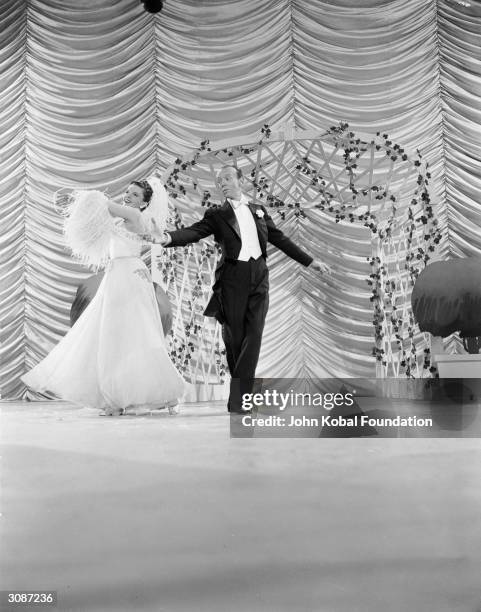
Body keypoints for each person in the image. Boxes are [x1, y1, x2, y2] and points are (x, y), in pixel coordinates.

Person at [159, 165, 330, 413]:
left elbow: (280, 239)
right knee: (235, 340)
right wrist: (167, 238)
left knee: (255, 334)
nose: (223, 183)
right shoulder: (217, 214)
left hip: (259, 275)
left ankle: (241, 399)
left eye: (228, 178)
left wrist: (311, 262)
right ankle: (240, 399)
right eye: (220, 181)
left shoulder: (259, 210)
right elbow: (195, 232)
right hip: (232, 279)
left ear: (241, 180)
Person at [22, 178, 185, 416]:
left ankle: (137, 396)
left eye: (136, 195)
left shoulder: (133, 215)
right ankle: (121, 397)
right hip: (118, 274)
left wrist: (76, 198)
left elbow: (102, 203)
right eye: (128, 192)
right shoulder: (129, 217)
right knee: (119, 335)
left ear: (144, 202)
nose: (129, 196)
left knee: (129, 334)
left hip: (127, 276)